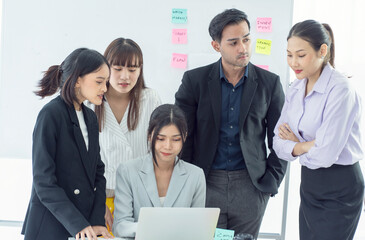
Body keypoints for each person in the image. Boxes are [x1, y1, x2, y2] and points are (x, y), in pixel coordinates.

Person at [175, 8, 287, 238]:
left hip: (250, 185)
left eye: (246, 39)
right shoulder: (194, 81)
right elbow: (182, 137)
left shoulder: (270, 84)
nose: (243, 48)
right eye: (233, 42)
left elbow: (282, 139)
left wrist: (269, 183)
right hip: (206, 183)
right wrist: (188, 183)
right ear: (217, 46)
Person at [273, 20, 364, 240]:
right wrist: (308, 145)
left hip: (340, 186)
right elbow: (278, 143)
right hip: (310, 184)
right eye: (289, 54)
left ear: (322, 50)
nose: (293, 62)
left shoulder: (340, 89)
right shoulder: (295, 88)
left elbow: (326, 154)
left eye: (301, 55)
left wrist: (297, 144)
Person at [21, 48, 114, 240]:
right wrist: (78, 223)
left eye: (106, 82)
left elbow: (98, 173)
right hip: (51, 225)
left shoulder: (90, 117)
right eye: (99, 81)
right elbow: (44, 182)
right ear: (77, 79)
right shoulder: (51, 114)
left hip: (83, 226)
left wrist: (97, 220)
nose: (105, 88)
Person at [89, 38, 161, 232]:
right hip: (100, 197)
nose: (125, 76)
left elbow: (158, 153)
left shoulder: (150, 99)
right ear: (105, 68)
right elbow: (80, 160)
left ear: (140, 70)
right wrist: (97, 203)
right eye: (118, 68)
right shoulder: (91, 101)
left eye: (132, 69)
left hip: (140, 196)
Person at [112, 104, 206, 238]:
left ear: (184, 137)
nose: (168, 146)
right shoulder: (128, 171)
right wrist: (153, 227)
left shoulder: (196, 175)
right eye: (161, 138)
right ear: (150, 136)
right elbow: (120, 225)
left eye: (176, 139)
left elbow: (198, 226)